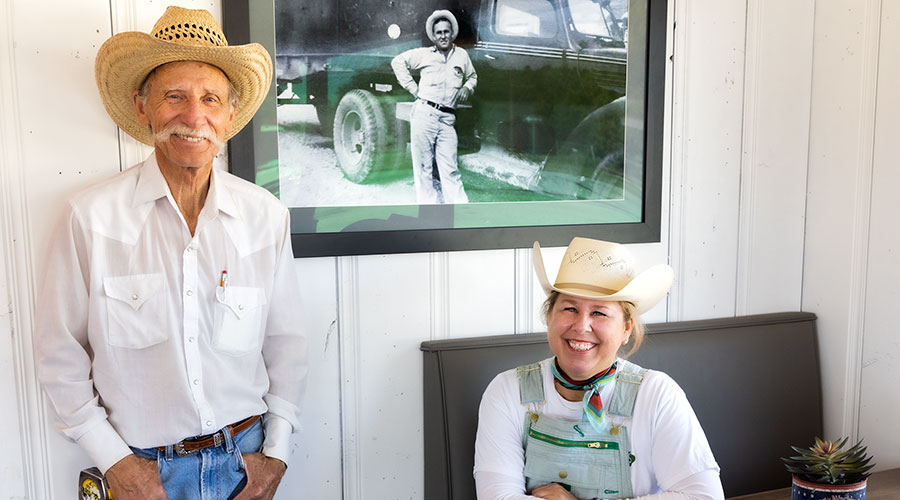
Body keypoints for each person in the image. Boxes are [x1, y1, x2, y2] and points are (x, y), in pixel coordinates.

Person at [33, 7, 307, 500]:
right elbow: (59, 355)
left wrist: (277, 454)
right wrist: (117, 464)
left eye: (210, 99)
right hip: (143, 473)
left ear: (229, 115)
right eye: (174, 96)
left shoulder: (266, 216)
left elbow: (287, 342)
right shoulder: (90, 219)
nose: (194, 117)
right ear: (143, 108)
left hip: (245, 465)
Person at [474, 237, 724, 500]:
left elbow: (705, 497)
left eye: (599, 313)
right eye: (570, 308)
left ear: (626, 328)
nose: (581, 326)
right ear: (549, 317)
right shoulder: (507, 390)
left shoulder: (657, 394)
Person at [391, 9, 477, 204]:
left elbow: (473, 76)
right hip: (425, 115)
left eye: (446, 32)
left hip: (447, 120)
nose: (443, 36)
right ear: (434, 36)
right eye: (439, 33)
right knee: (424, 169)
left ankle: (460, 210)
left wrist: (467, 87)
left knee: (450, 169)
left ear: (452, 33)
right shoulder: (424, 54)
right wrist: (413, 88)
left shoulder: (462, 55)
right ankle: (429, 210)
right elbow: (398, 62)